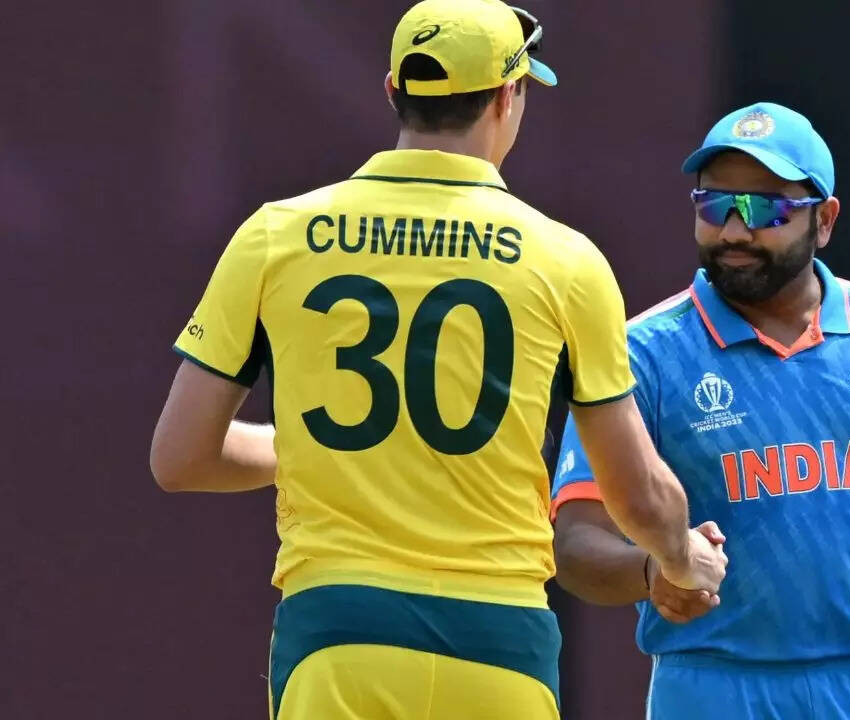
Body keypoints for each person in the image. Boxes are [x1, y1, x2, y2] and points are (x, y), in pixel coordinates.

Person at [148, 2, 726, 718]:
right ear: (507, 97)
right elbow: (636, 494)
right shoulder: (566, 260)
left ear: (394, 90)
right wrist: (683, 561)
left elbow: (181, 458)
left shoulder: (276, 235)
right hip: (497, 642)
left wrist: (305, 448)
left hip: (339, 635)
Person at [551, 102, 850, 719]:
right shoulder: (642, 354)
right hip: (717, 690)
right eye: (715, 206)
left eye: (765, 210)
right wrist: (652, 574)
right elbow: (575, 540)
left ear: (824, 220)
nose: (734, 232)